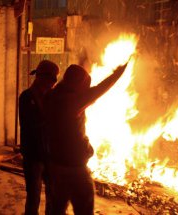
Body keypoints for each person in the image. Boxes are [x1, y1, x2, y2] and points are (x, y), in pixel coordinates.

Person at [45, 63, 128, 215]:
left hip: (55, 166)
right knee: (84, 207)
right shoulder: (72, 101)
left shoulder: (52, 96)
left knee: (56, 208)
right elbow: (100, 89)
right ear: (77, 84)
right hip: (74, 168)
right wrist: (118, 72)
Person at [19, 60, 59, 215]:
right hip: (33, 156)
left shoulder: (52, 97)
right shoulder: (26, 97)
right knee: (34, 196)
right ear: (43, 78)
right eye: (53, 80)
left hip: (50, 156)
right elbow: (30, 124)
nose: (54, 84)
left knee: (53, 195)